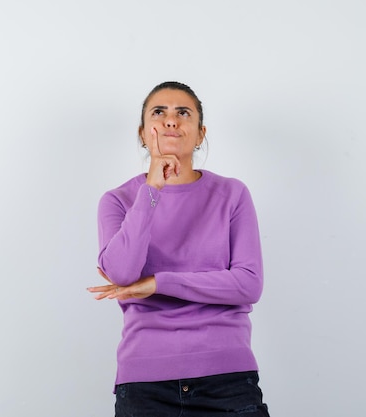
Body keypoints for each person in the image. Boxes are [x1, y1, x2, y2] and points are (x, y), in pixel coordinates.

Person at [88, 81, 270, 416]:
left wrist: (158, 283)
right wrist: (152, 188)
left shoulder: (232, 194)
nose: (171, 120)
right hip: (145, 384)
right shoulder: (118, 201)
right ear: (143, 133)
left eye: (182, 113)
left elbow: (248, 284)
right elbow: (122, 273)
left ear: (200, 134)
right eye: (160, 112)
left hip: (226, 378)